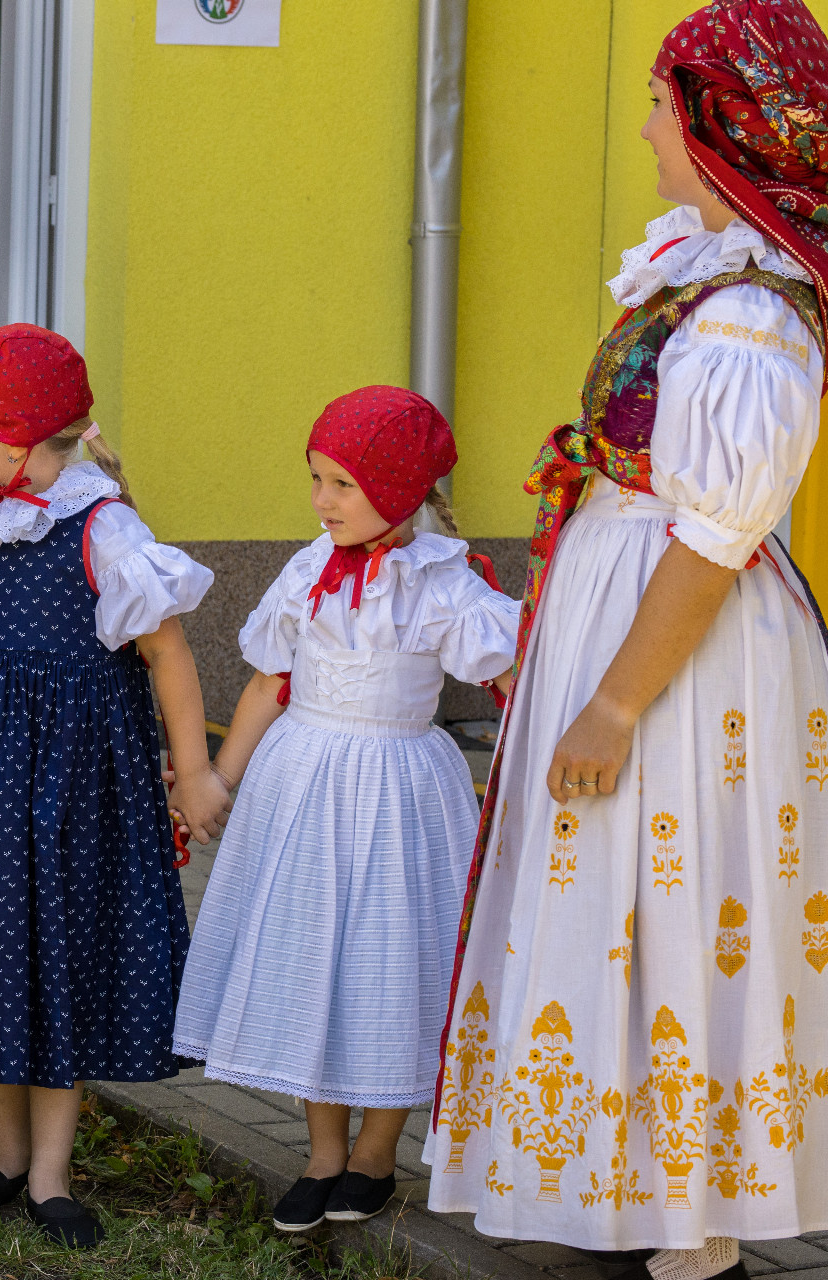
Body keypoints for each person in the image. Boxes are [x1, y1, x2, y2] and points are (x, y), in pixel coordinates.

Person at [428, 3, 828, 1273]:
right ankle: (635, 1190)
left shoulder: (755, 315)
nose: (646, 126)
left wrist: (612, 702)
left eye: (661, 103)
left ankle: (696, 1228)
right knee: (625, 894)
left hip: (684, 650)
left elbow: (717, 533)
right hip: (632, 602)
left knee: (675, 888)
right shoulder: (701, 272)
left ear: (718, 128)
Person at [0, 325, 220, 1248]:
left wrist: (193, 770)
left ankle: (52, 1173)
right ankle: (6, 1155)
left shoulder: (103, 529)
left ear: (18, 442)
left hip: (73, 792)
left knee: (55, 956)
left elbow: (169, 655)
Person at [171, 388, 517, 1233]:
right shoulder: (307, 569)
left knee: (391, 963)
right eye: (316, 478)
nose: (321, 500)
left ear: (398, 490)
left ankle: (376, 1154)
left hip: (401, 792)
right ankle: (322, 1153)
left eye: (342, 485)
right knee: (308, 956)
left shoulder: (446, 583)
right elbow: (270, 680)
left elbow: (513, 680)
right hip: (302, 785)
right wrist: (217, 776)